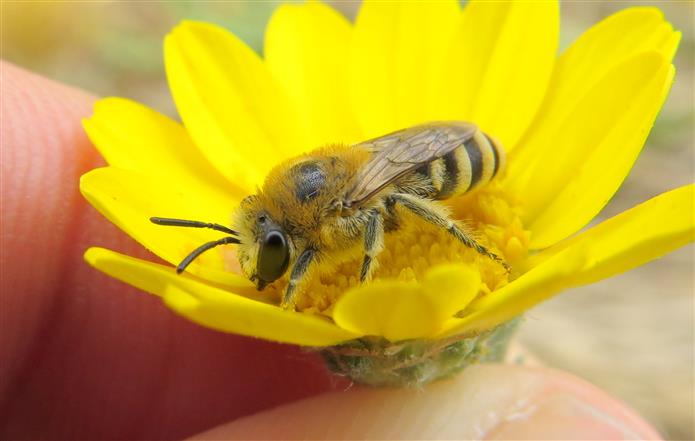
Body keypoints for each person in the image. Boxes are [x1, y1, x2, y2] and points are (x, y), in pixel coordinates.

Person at [0, 61, 662, 440]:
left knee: (396, 208)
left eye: (276, 255)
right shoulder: (299, 209)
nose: (270, 263)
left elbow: (384, 215)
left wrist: (406, 268)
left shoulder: (331, 212)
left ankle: (460, 236)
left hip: (455, 164)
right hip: (434, 151)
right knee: (389, 209)